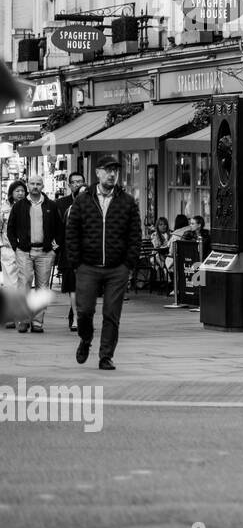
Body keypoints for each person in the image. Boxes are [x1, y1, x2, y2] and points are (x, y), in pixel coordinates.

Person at [64, 156, 142, 370]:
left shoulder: (127, 201)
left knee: (111, 314)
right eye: (107, 170)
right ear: (97, 173)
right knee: (85, 311)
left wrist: (128, 264)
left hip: (117, 268)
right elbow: (72, 233)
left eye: (115, 170)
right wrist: (76, 262)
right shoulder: (83, 199)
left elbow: (135, 235)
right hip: (87, 266)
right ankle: (86, 339)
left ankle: (106, 355)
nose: (112, 174)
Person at [7, 175, 62, 333]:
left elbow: (60, 229)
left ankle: (37, 322)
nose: (35, 186)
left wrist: (54, 248)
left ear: (43, 186)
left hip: (45, 252)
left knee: (42, 287)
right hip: (24, 251)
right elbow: (10, 228)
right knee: (23, 285)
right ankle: (23, 320)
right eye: (32, 184)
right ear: (28, 186)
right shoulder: (19, 206)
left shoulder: (51, 205)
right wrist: (16, 246)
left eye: (38, 184)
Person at [55, 172, 87, 333]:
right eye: (73, 182)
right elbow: (57, 228)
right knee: (73, 287)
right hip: (69, 252)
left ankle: (79, 315)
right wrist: (55, 246)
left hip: (89, 253)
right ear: (69, 185)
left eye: (80, 181)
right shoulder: (61, 204)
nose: (77, 184)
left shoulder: (94, 204)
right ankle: (76, 317)